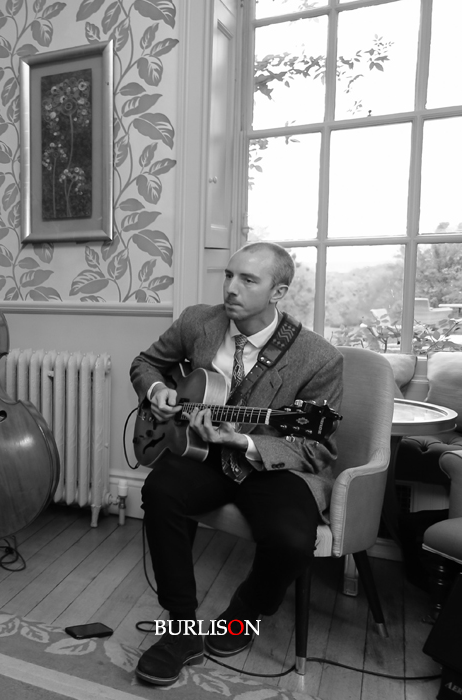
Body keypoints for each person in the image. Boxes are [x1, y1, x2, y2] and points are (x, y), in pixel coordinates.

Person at [129, 241, 343, 686]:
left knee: (292, 540)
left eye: (248, 280)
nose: (231, 288)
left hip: (271, 464)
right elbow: (146, 362)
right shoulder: (198, 321)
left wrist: (243, 440)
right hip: (203, 453)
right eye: (229, 275)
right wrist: (158, 391)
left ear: (278, 292)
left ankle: (244, 614)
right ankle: (180, 630)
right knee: (160, 490)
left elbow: (317, 449)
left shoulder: (320, 358)